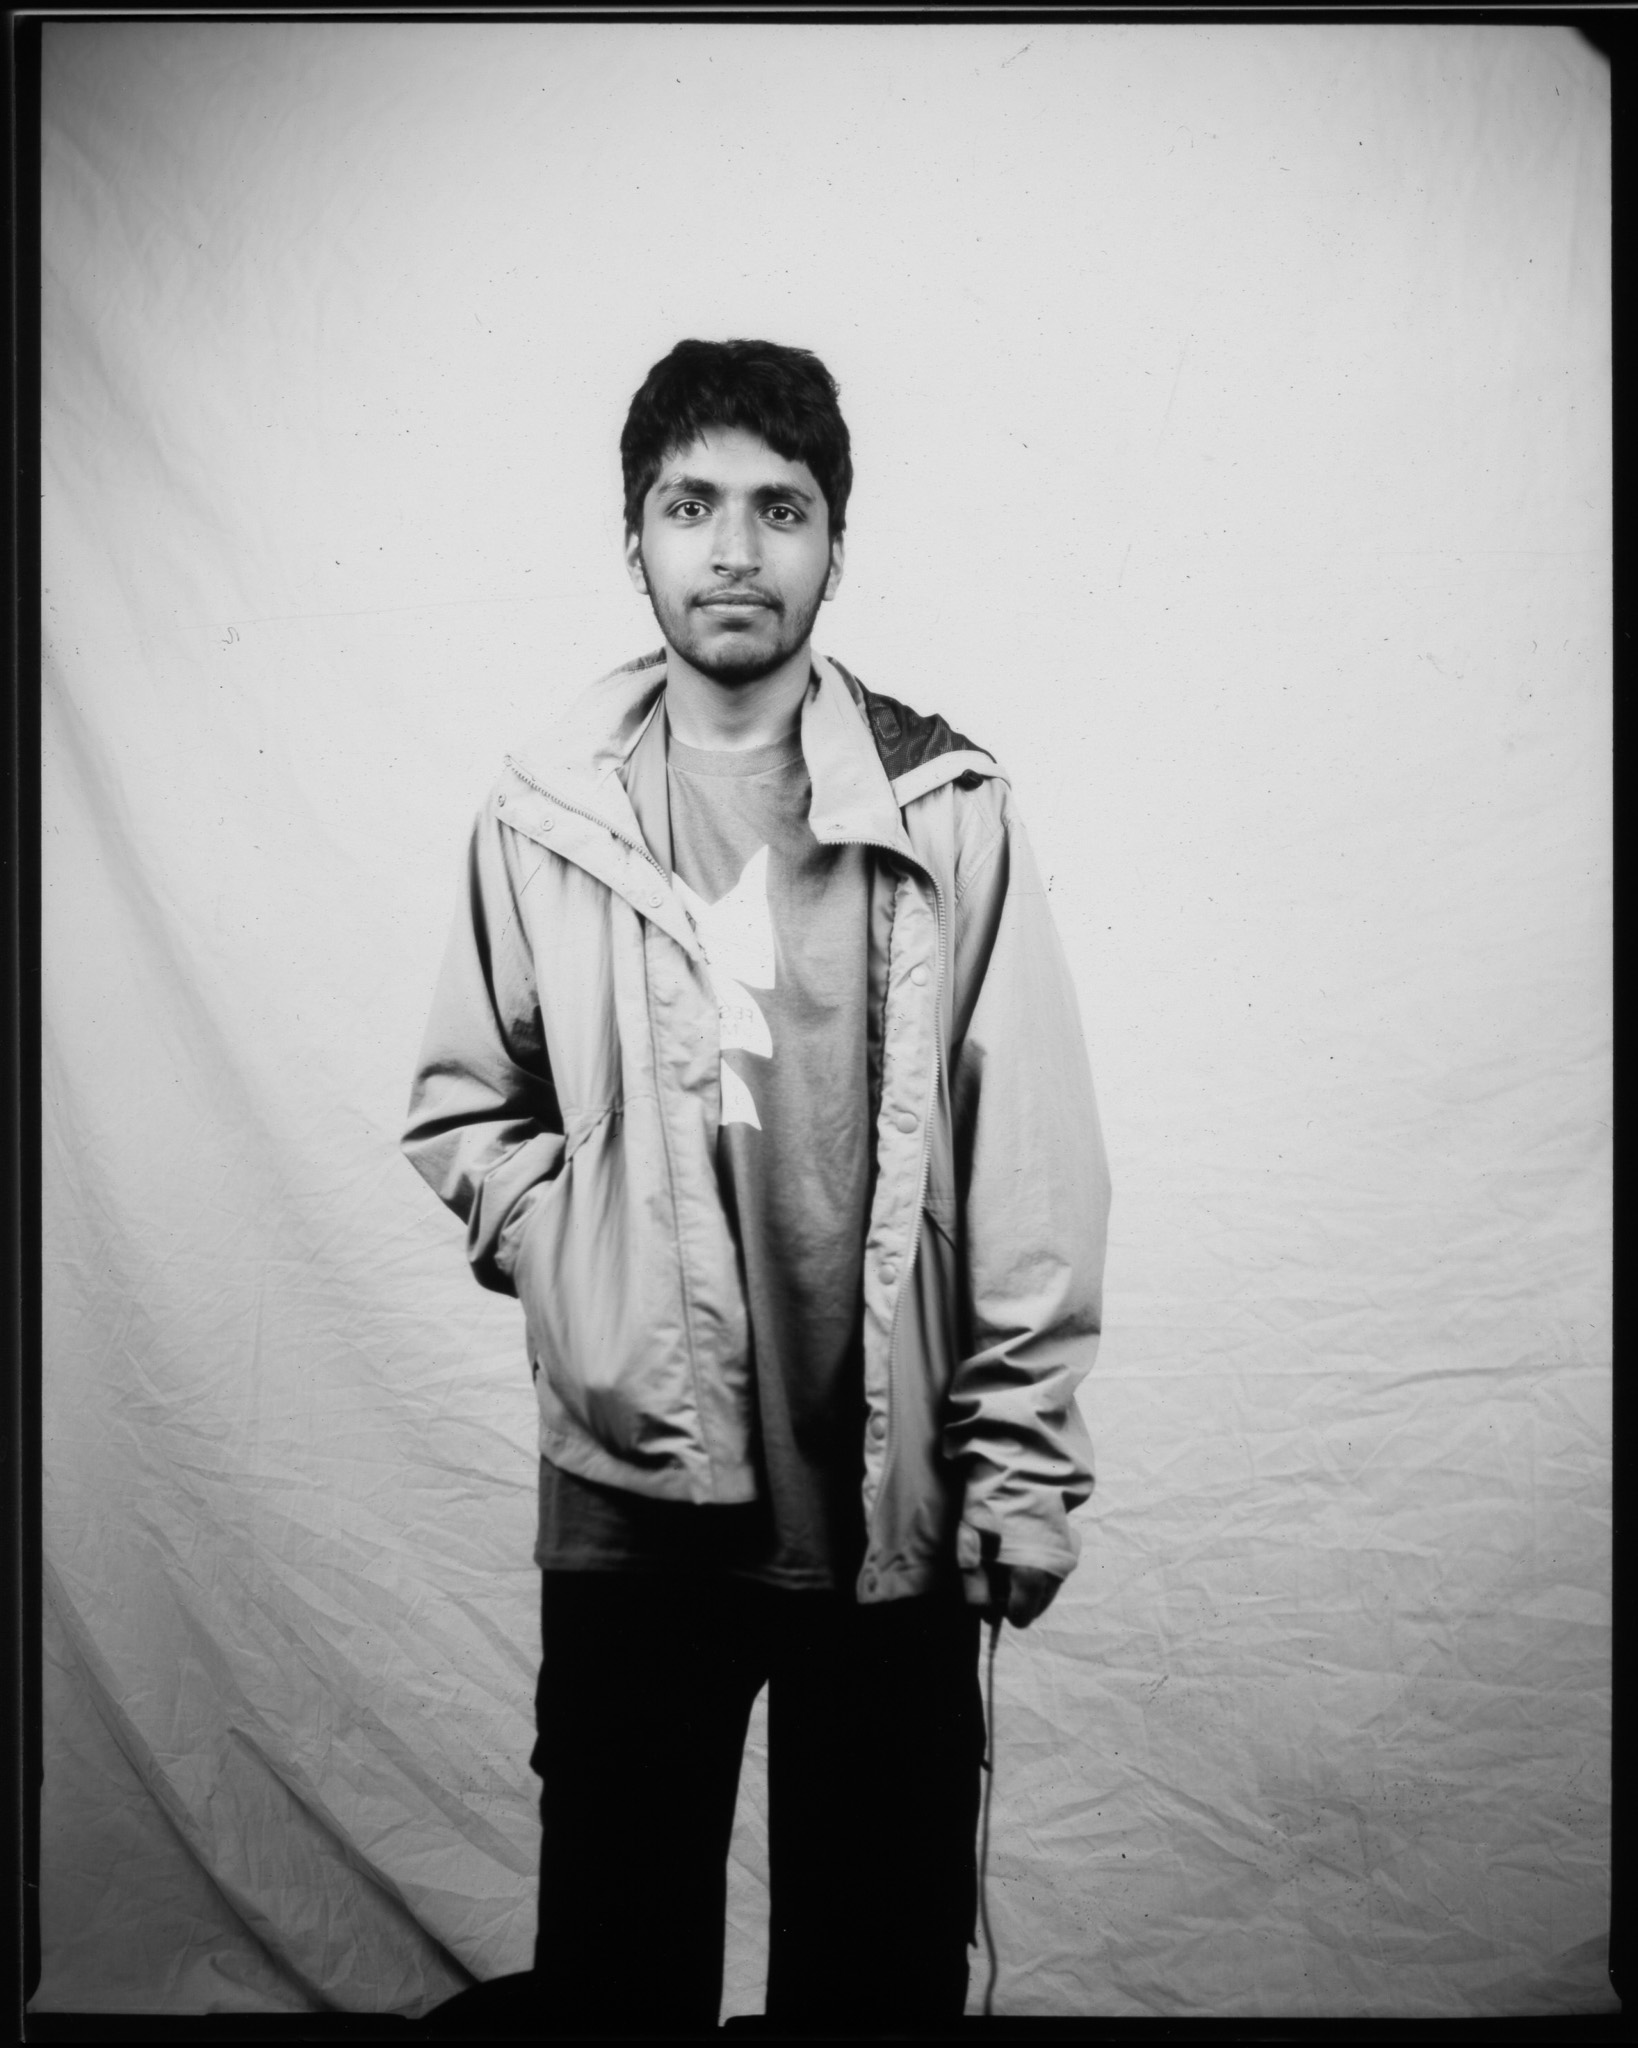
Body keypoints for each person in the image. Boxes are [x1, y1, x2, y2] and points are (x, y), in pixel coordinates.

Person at [402, 338, 1110, 2034]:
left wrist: (1022, 1467)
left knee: (872, 1992)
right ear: (633, 536)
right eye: (690, 505)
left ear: (833, 545)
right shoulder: (544, 813)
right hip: (632, 1495)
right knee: (621, 1980)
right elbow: (465, 1108)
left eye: (778, 510)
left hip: (889, 1509)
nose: (733, 550)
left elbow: (1028, 1155)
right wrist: (574, 1261)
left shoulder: (948, 805)